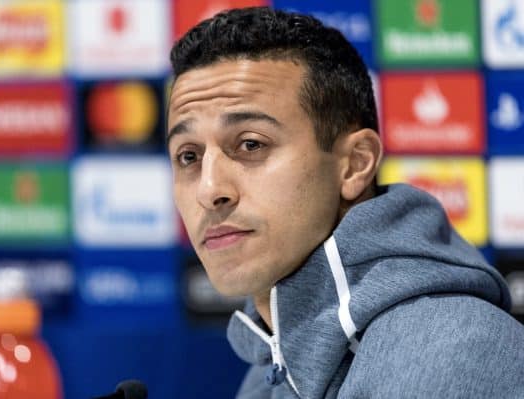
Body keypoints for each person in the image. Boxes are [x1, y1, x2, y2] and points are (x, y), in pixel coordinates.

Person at [166, 6, 524, 399]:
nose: (209, 189)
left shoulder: (450, 351)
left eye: (251, 144)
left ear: (355, 164)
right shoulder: (269, 364)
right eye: (188, 156)